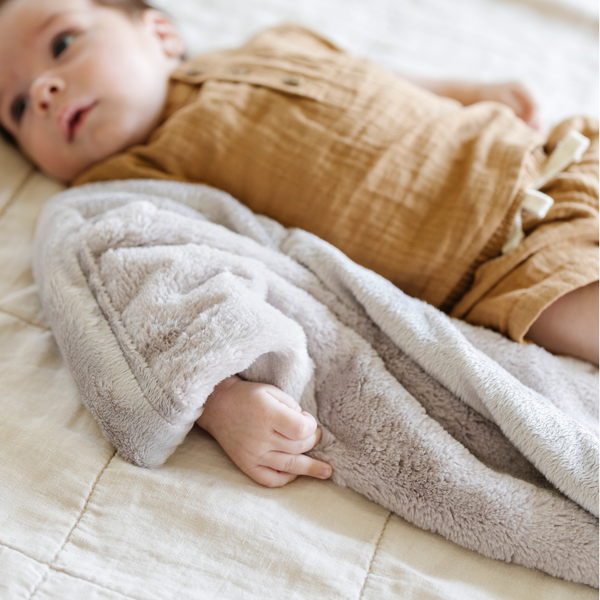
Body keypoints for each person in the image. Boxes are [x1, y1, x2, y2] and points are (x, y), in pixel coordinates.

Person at [0, 0, 597, 488]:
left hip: (555, 156)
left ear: (159, 33)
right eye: (19, 106)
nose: (45, 90)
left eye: (61, 44)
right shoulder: (133, 189)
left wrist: (469, 89)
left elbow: (370, 82)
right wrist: (221, 403)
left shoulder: (273, 40)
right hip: (513, 268)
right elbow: (147, 310)